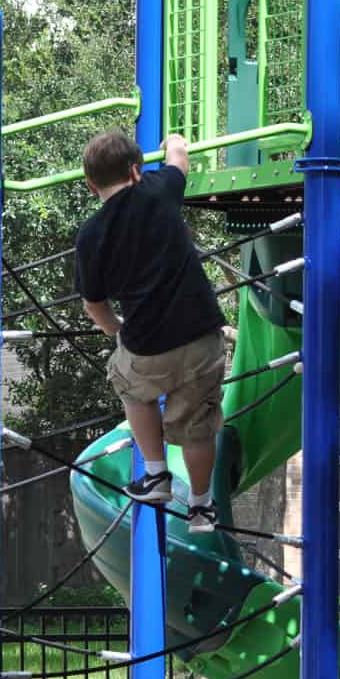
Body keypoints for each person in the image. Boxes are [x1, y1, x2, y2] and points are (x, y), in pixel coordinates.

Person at [75, 129, 225, 531]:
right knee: (197, 425)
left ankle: (156, 474)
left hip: (147, 345)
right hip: (201, 334)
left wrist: (115, 331)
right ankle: (201, 506)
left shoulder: (90, 235)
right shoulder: (160, 191)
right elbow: (179, 158)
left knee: (128, 384)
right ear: (137, 172)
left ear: (91, 186)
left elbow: (94, 304)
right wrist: (173, 141)